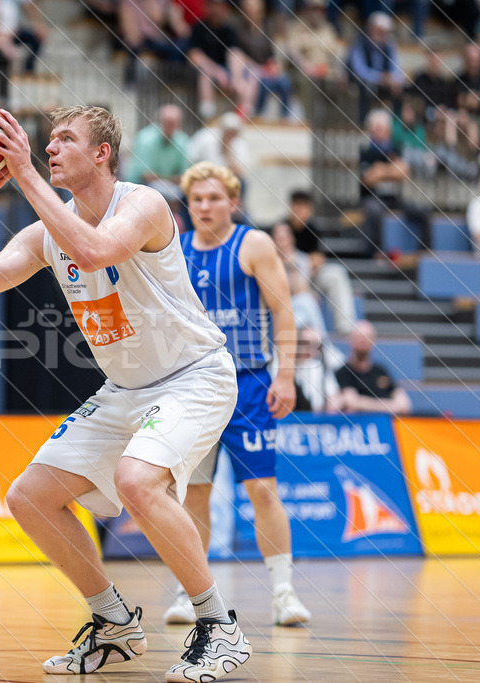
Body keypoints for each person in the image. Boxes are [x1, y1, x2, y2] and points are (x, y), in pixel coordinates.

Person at [0, 105, 253, 680]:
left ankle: (219, 626)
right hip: (126, 390)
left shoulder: (144, 205)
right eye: (48, 141)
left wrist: (24, 174)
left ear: (102, 153)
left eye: (65, 139)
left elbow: (94, 250)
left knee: (138, 481)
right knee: (29, 498)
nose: (50, 149)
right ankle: (113, 622)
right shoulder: (47, 232)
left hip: (194, 377)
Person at [167, 160, 308, 628]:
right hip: (194, 387)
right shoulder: (175, 249)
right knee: (193, 496)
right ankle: (191, 595)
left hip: (248, 383)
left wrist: (285, 376)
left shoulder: (254, 244)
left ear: (233, 202)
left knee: (263, 491)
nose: (205, 206)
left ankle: (284, 593)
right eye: (197, 199)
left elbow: (283, 313)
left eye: (214, 198)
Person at [273, 191, 357, 337]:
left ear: (309, 209)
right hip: (284, 278)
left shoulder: (313, 228)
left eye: (303, 207)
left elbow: (319, 258)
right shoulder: (282, 227)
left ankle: (346, 327)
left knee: (336, 273)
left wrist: (303, 261)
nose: (299, 211)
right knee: (305, 299)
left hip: (309, 275)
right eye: (296, 206)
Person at [359, 108, 431, 256]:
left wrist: (380, 170)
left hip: (394, 199)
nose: (379, 132)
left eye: (382, 128)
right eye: (376, 128)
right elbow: (366, 179)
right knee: (374, 211)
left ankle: (424, 253)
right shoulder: (366, 151)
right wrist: (392, 170)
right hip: (372, 198)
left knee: (423, 212)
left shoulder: (396, 148)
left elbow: (403, 174)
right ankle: (377, 253)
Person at [334, 321, 412, 415]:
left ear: (373, 341)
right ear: (351, 340)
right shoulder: (343, 372)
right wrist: (391, 406)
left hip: (384, 423)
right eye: (359, 337)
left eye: (367, 337)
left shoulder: (381, 371)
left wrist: (363, 402)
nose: (363, 341)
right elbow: (352, 403)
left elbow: (404, 404)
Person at [346, 12, 404, 123]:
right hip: (362, 82)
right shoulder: (359, 42)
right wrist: (380, 77)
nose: (382, 35)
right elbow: (359, 70)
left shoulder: (390, 44)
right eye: (379, 31)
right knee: (363, 88)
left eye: (385, 32)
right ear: (372, 29)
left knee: (399, 90)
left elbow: (396, 67)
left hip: (383, 83)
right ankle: (362, 124)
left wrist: (394, 79)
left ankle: (396, 125)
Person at [126, 103, 189, 203]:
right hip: (140, 187)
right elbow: (145, 176)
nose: (170, 127)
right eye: (167, 123)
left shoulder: (182, 140)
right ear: (160, 122)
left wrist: (164, 178)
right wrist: (171, 179)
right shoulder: (145, 139)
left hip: (171, 190)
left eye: (174, 124)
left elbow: (183, 176)